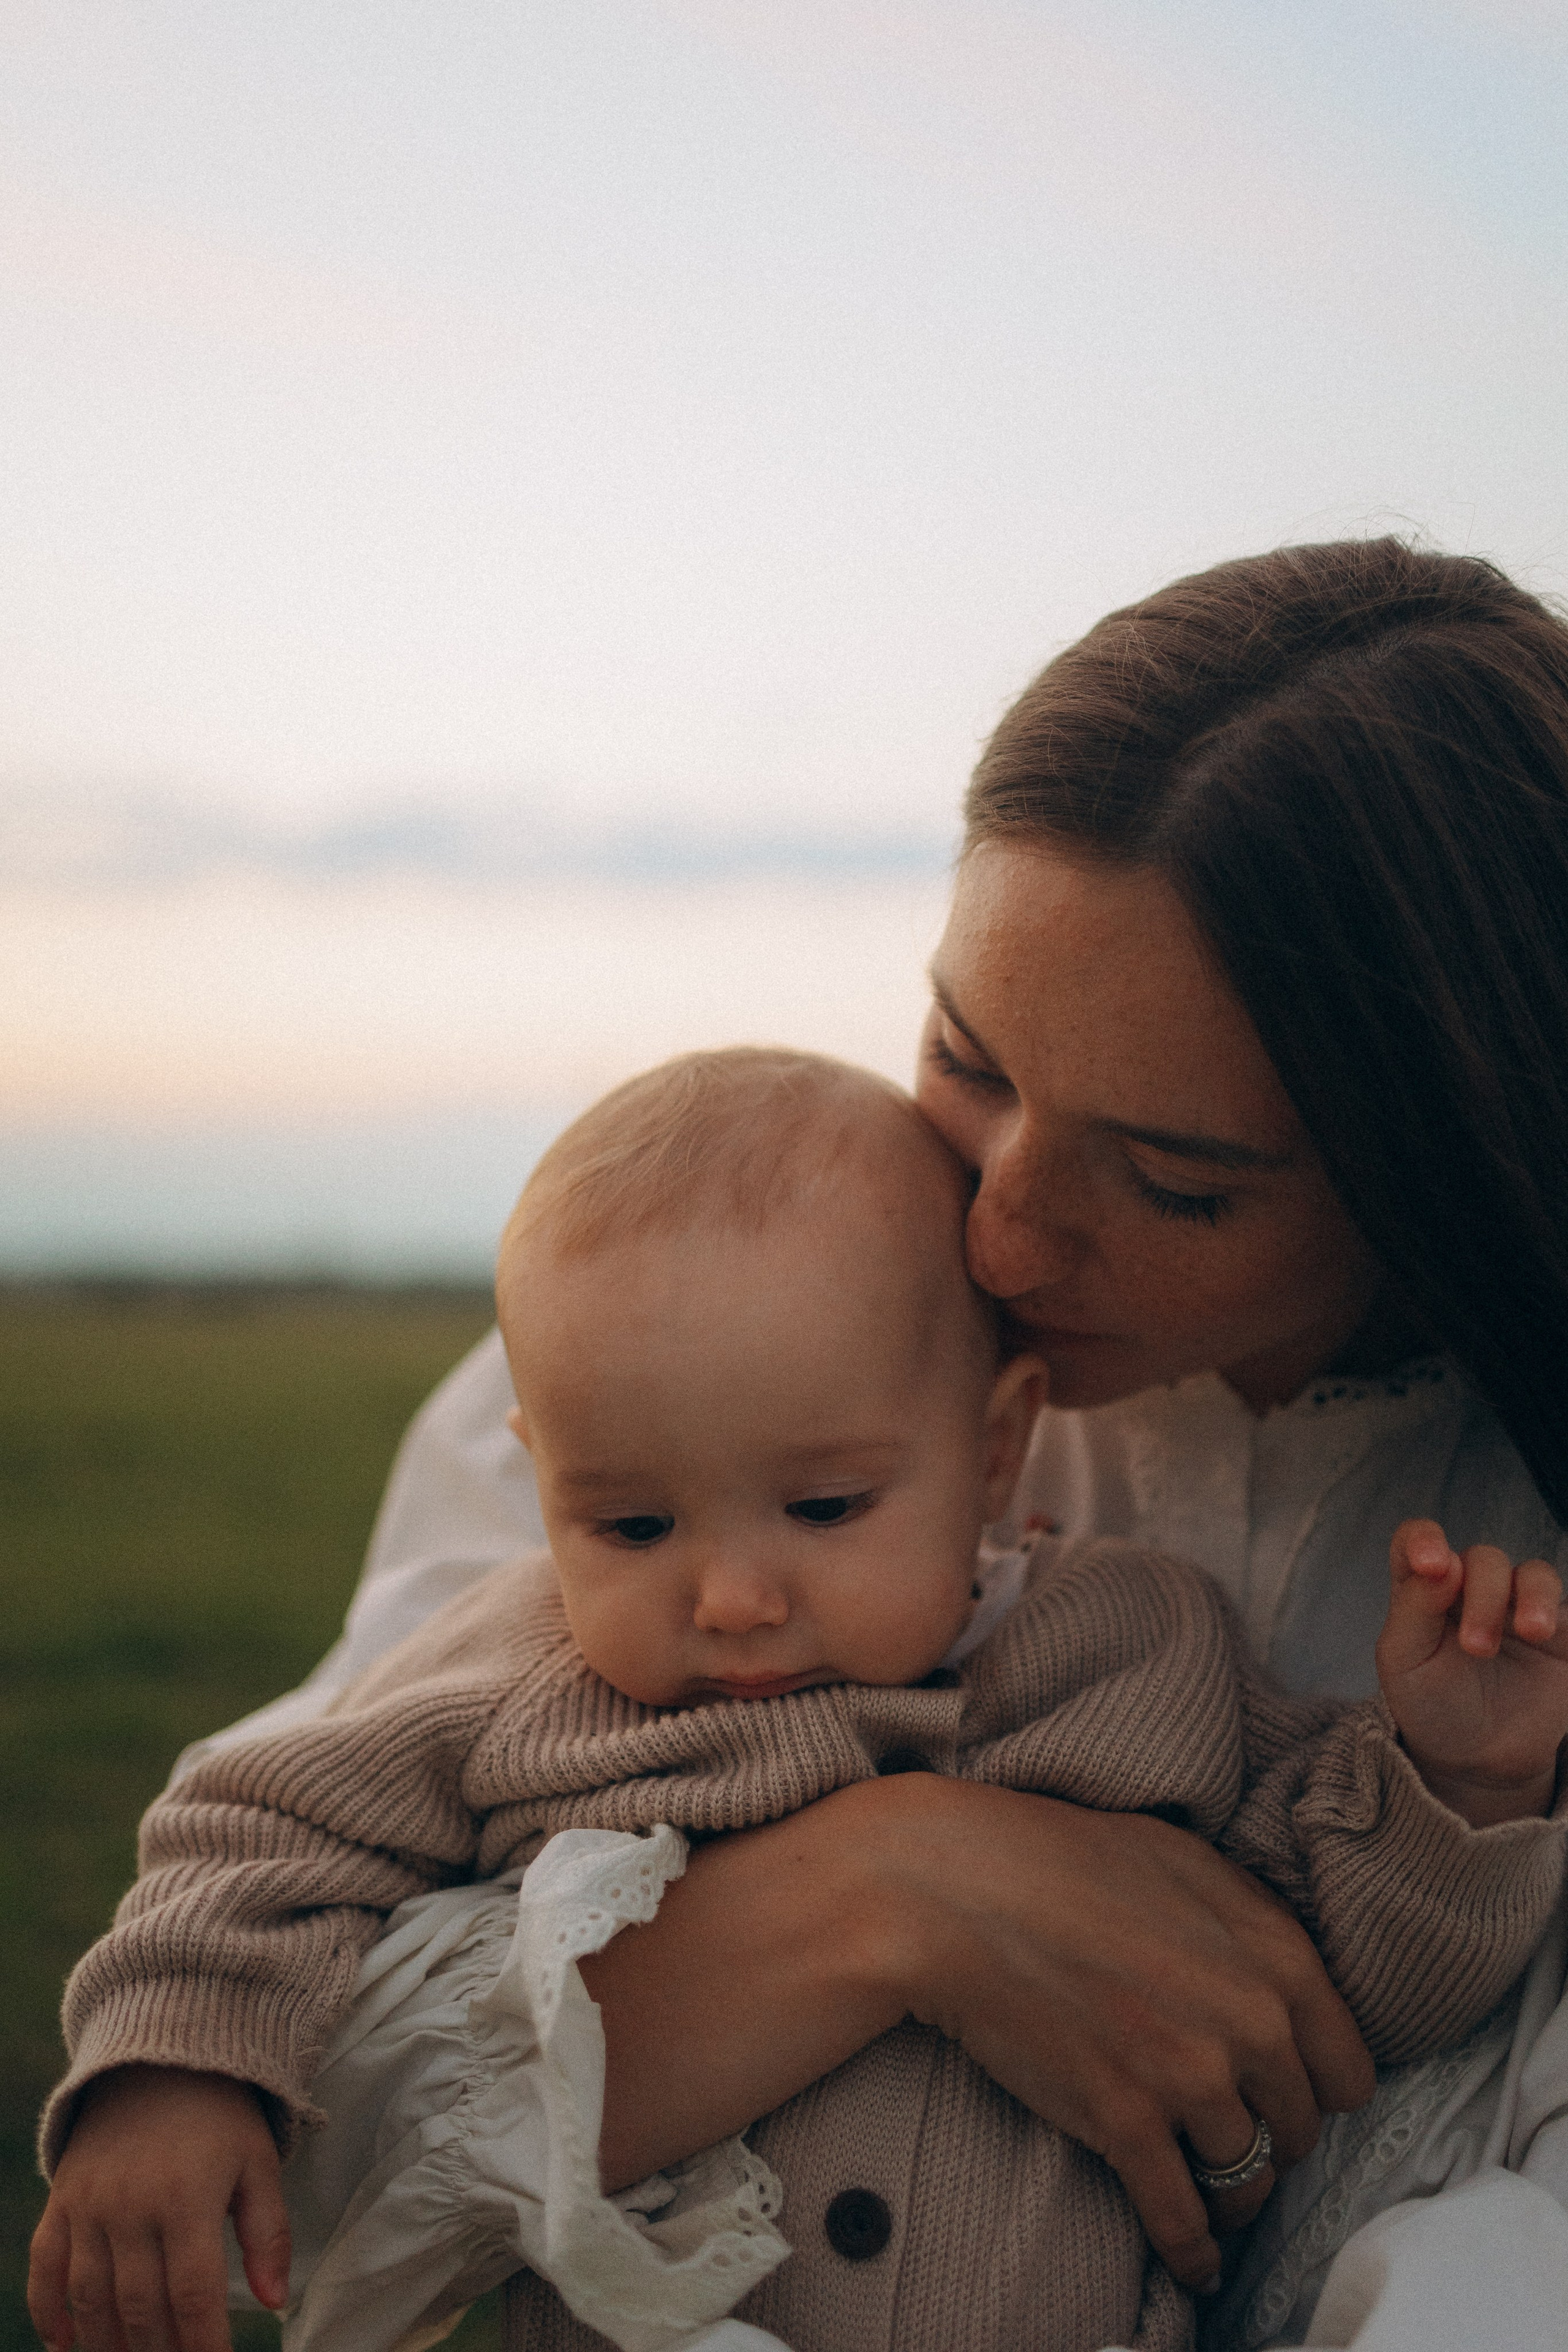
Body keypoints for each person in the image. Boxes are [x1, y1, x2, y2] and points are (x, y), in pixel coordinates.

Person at [34, 537, 1568, 2352]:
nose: (996, 1238)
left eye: (1173, 1181)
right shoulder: (696, 1381)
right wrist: (890, 1892)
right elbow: (299, 2156)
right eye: (970, 1057)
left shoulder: (1440, 1593)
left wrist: (1464, 1800)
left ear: (1447, 1171)